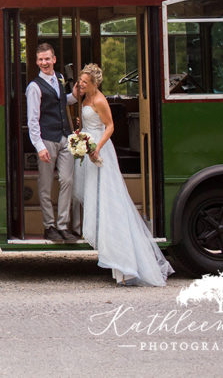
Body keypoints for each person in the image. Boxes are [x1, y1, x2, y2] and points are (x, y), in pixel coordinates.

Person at [73, 63, 174, 286]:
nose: (80, 84)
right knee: (97, 200)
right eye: (80, 81)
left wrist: (96, 147)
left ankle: (124, 263)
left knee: (110, 203)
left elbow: (109, 126)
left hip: (100, 151)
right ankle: (110, 254)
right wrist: (82, 130)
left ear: (94, 83)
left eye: (84, 82)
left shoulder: (99, 100)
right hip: (89, 147)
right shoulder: (86, 99)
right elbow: (92, 120)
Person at [26, 43, 80, 243]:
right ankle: (49, 226)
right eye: (40, 59)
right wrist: (39, 146)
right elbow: (32, 120)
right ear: (37, 62)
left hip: (65, 137)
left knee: (67, 180)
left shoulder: (58, 78)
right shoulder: (34, 87)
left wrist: (74, 96)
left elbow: (61, 101)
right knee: (45, 185)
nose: (44, 62)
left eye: (47, 59)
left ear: (54, 59)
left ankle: (63, 225)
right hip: (47, 139)